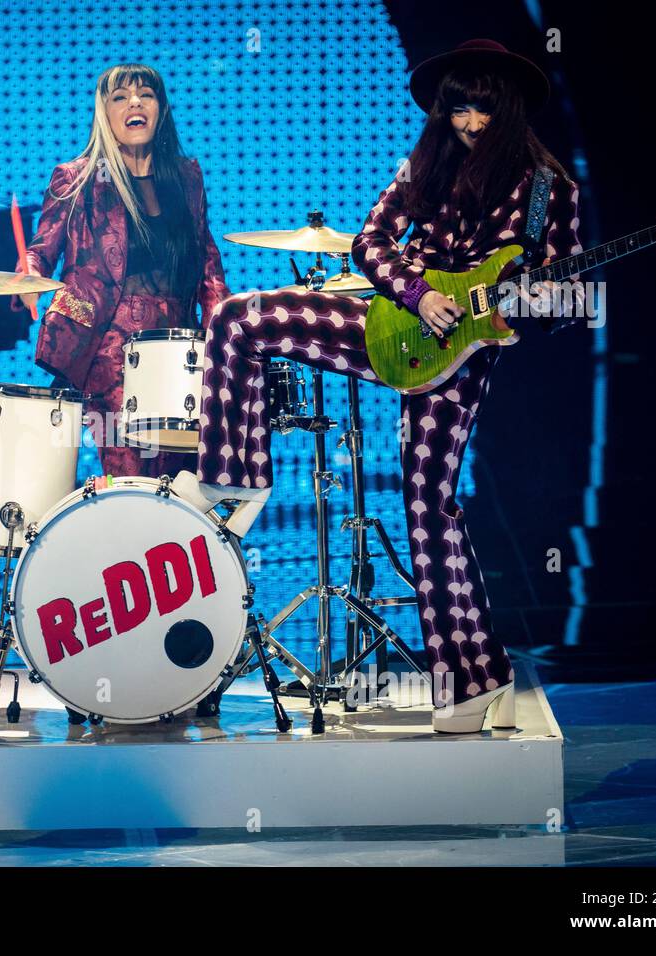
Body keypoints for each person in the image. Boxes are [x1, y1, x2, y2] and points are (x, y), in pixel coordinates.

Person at [175, 39, 584, 732]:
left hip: (461, 357)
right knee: (238, 318)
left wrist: (535, 300)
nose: (469, 124)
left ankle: (476, 680)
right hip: (391, 320)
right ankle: (233, 481)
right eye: (458, 109)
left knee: (430, 510)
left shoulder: (550, 189)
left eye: (482, 109)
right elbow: (370, 240)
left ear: (508, 108)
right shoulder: (428, 161)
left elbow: (571, 304)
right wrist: (419, 293)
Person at [18, 63, 229, 477]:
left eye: (146, 95)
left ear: (161, 109)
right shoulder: (76, 178)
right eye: (120, 97)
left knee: (180, 477)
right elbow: (41, 250)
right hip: (107, 342)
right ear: (105, 113)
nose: (135, 102)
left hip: (178, 342)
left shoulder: (186, 176)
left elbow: (207, 258)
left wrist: (219, 327)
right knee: (130, 475)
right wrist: (28, 277)